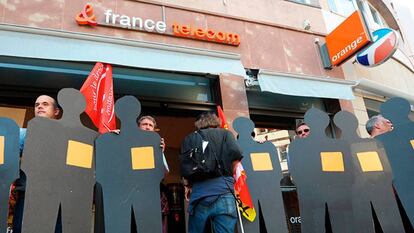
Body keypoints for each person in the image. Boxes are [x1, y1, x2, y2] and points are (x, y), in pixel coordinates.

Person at [181, 112, 243, 233]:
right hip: (225, 191)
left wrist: (187, 186)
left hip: (199, 195)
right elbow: (236, 157)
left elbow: (185, 167)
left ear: (198, 123)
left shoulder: (189, 138)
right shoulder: (226, 134)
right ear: (216, 121)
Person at [13, 95, 61, 233]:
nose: (40, 106)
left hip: (57, 199)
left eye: (45, 104)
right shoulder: (23, 134)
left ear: (56, 111)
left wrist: (109, 137)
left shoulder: (68, 137)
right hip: (28, 197)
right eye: (37, 104)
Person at [137, 115, 169, 233]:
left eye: (150, 125)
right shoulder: (129, 142)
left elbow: (164, 174)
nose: (147, 127)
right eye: (144, 124)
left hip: (153, 195)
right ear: (138, 127)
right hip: (133, 194)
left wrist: (160, 153)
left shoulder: (158, 146)